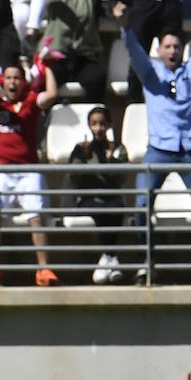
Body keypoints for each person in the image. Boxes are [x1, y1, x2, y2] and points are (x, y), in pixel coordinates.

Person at [0, 64, 62, 286]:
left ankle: (43, 269)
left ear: (24, 82)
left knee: (35, 217)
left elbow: (53, 94)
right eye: (8, 78)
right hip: (1, 169)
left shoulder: (31, 101)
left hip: (29, 169)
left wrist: (46, 67)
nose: (12, 82)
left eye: (17, 78)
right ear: (3, 81)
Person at [122, 21, 191, 236]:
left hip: (189, 150)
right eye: (168, 46)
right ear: (159, 50)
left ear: (183, 50)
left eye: (177, 47)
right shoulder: (151, 72)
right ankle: (145, 259)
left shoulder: (190, 70)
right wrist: (124, 26)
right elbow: (134, 51)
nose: (172, 51)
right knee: (142, 202)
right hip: (158, 150)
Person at [64, 105, 131, 284]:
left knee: (116, 208)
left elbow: (122, 177)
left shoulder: (118, 148)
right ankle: (113, 258)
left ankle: (107, 258)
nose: (98, 128)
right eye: (94, 124)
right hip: (89, 198)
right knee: (101, 209)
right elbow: (74, 177)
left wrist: (112, 162)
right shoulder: (81, 148)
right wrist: (81, 157)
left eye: (102, 124)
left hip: (111, 196)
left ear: (108, 125)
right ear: (89, 125)